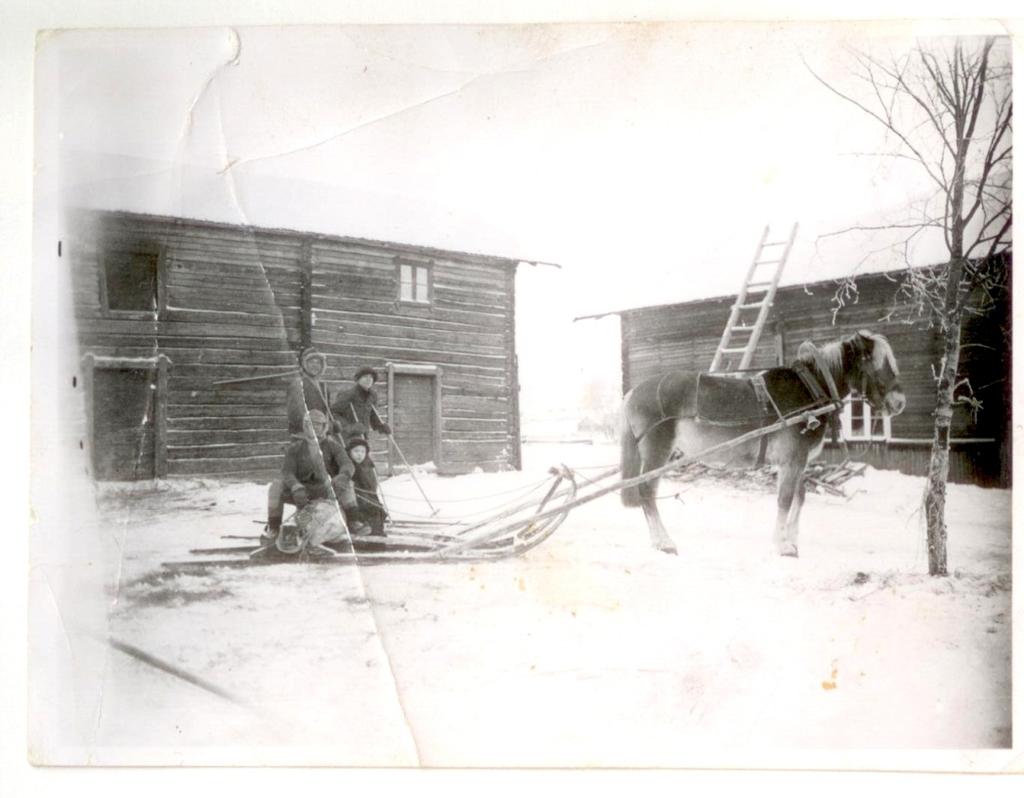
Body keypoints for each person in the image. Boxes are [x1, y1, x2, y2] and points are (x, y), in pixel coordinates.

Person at [264, 409, 369, 556]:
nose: (314, 428)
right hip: (301, 491)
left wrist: (342, 476)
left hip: (324, 488)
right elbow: (287, 472)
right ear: (305, 426)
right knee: (275, 486)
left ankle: (353, 520)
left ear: (324, 426)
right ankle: (274, 526)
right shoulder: (295, 448)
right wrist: (295, 486)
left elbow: (347, 464)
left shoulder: (332, 446)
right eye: (310, 424)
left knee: (348, 483)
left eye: (318, 425)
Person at [330, 365, 392, 444]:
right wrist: (350, 427)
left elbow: (372, 415)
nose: (368, 379)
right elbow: (334, 413)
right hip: (347, 436)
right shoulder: (348, 394)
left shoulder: (372, 396)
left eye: (371, 377)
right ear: (358, 379)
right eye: (365, 377)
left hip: (363, 435)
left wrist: (380, 426)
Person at [345, 437, 388, 537]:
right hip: (353, 498)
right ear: (349, 452)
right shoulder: (347, 465)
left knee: (376, 508)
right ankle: (364, 530)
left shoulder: (367, 466)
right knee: (367, 508)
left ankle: (376, 533)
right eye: (356, 451)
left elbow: (371, 486)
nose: (359, 454)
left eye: (362, 452)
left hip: (366, 496)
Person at [286, 347, 332, 437]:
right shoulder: (298, 384)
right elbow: (295, 413)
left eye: (318, 362)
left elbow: (327, 411)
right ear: (305, 364)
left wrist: (329, 426)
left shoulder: (324, 387)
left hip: (320, 434)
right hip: (303, 433)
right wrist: (310, 427)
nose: (315, 365)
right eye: (311, 362)